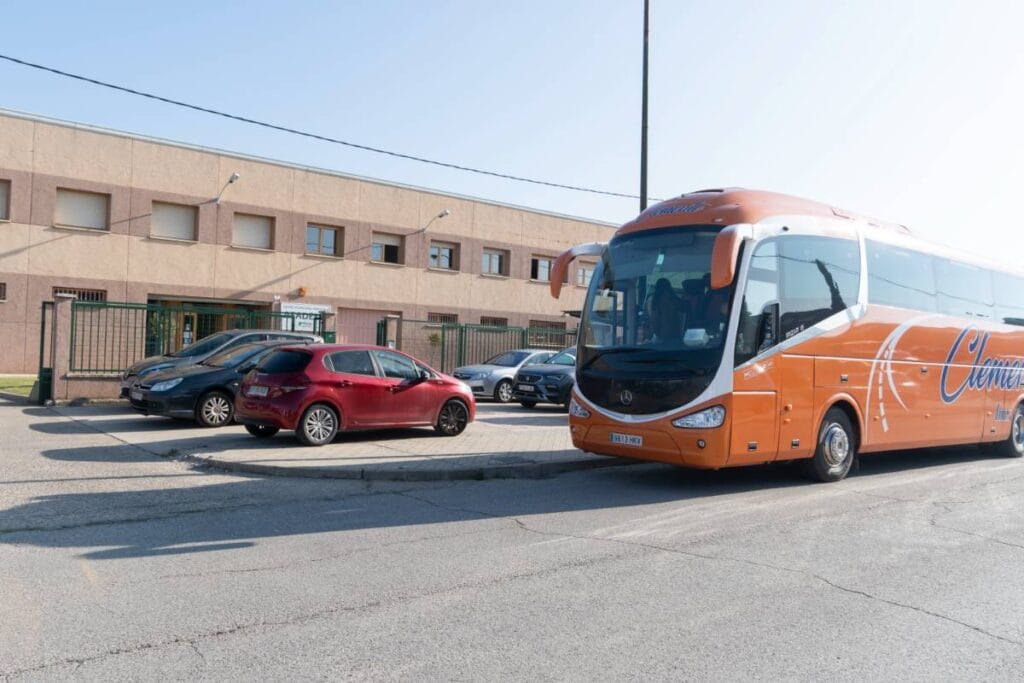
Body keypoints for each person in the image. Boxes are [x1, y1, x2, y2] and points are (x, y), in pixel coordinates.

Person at [648, 278, 683, 343]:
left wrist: (648, 336)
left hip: (663, 340)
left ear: (657, 289)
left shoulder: (657, 303)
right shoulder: (675, 301)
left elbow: (654, 322)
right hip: (677, 339)